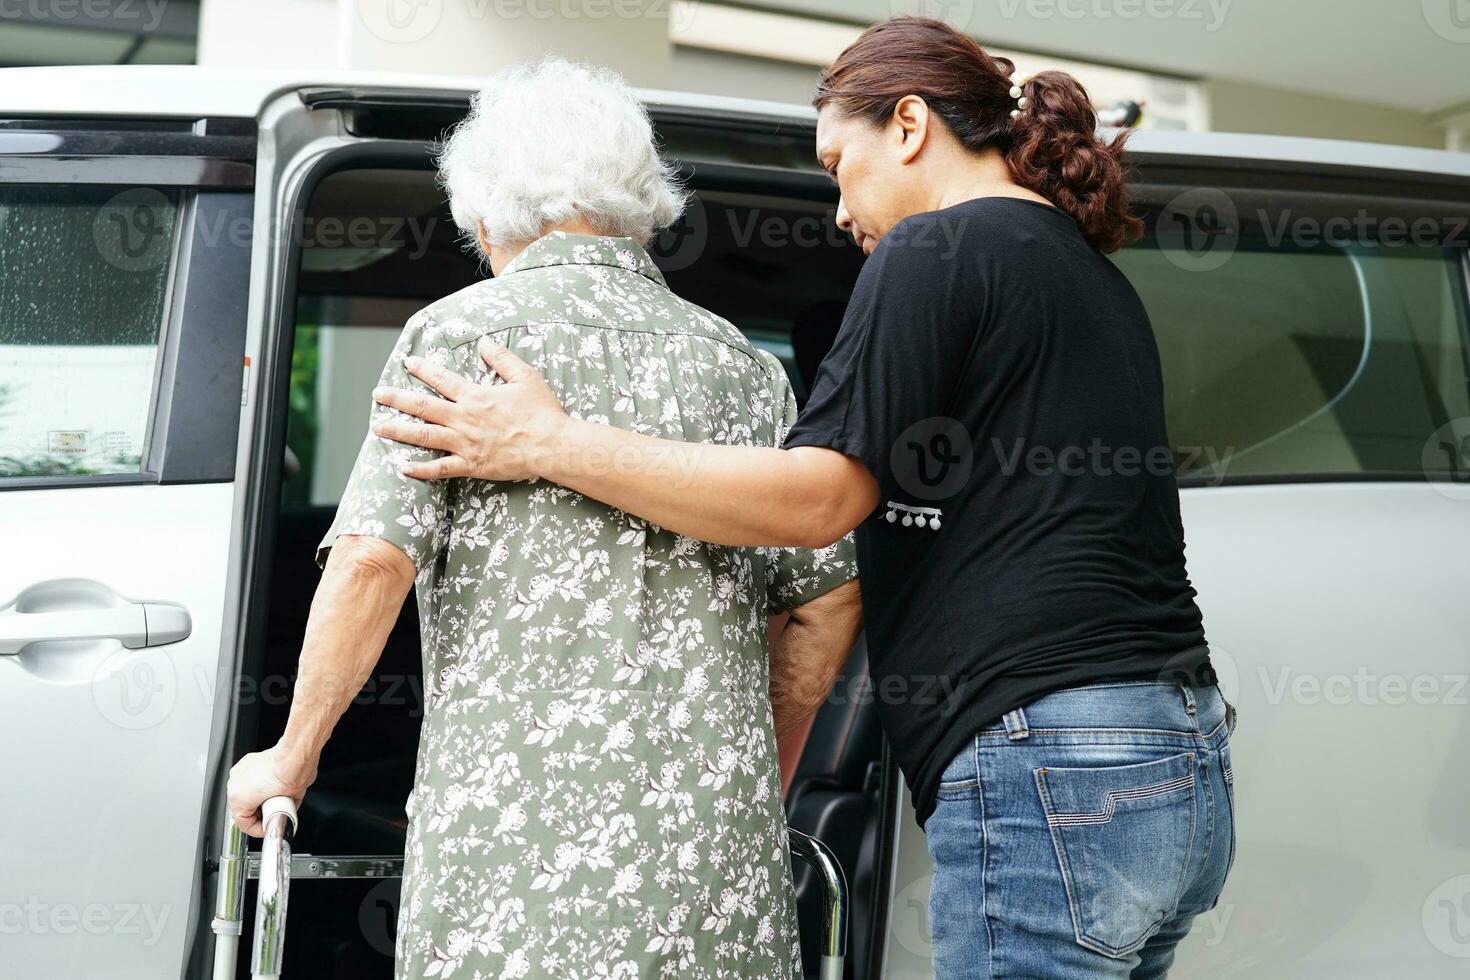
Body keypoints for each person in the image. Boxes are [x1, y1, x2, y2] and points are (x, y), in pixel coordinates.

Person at [372, 17, 1238, 979]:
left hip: (1048, 765)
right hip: (1180, 762)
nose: (837, 210)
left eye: (838, 164)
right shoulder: (1092, 276)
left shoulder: (933, 251)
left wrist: (551, 440)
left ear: (909, 125)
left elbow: (816, 498)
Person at [226, 57, 862, 980]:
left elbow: (371, 564)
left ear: (484, 214)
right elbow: (827, 602)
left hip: (516, 861)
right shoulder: (747, 369)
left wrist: (291, 758)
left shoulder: (460, 338)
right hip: (715, 859)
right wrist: (748, 774)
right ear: (645, 200)